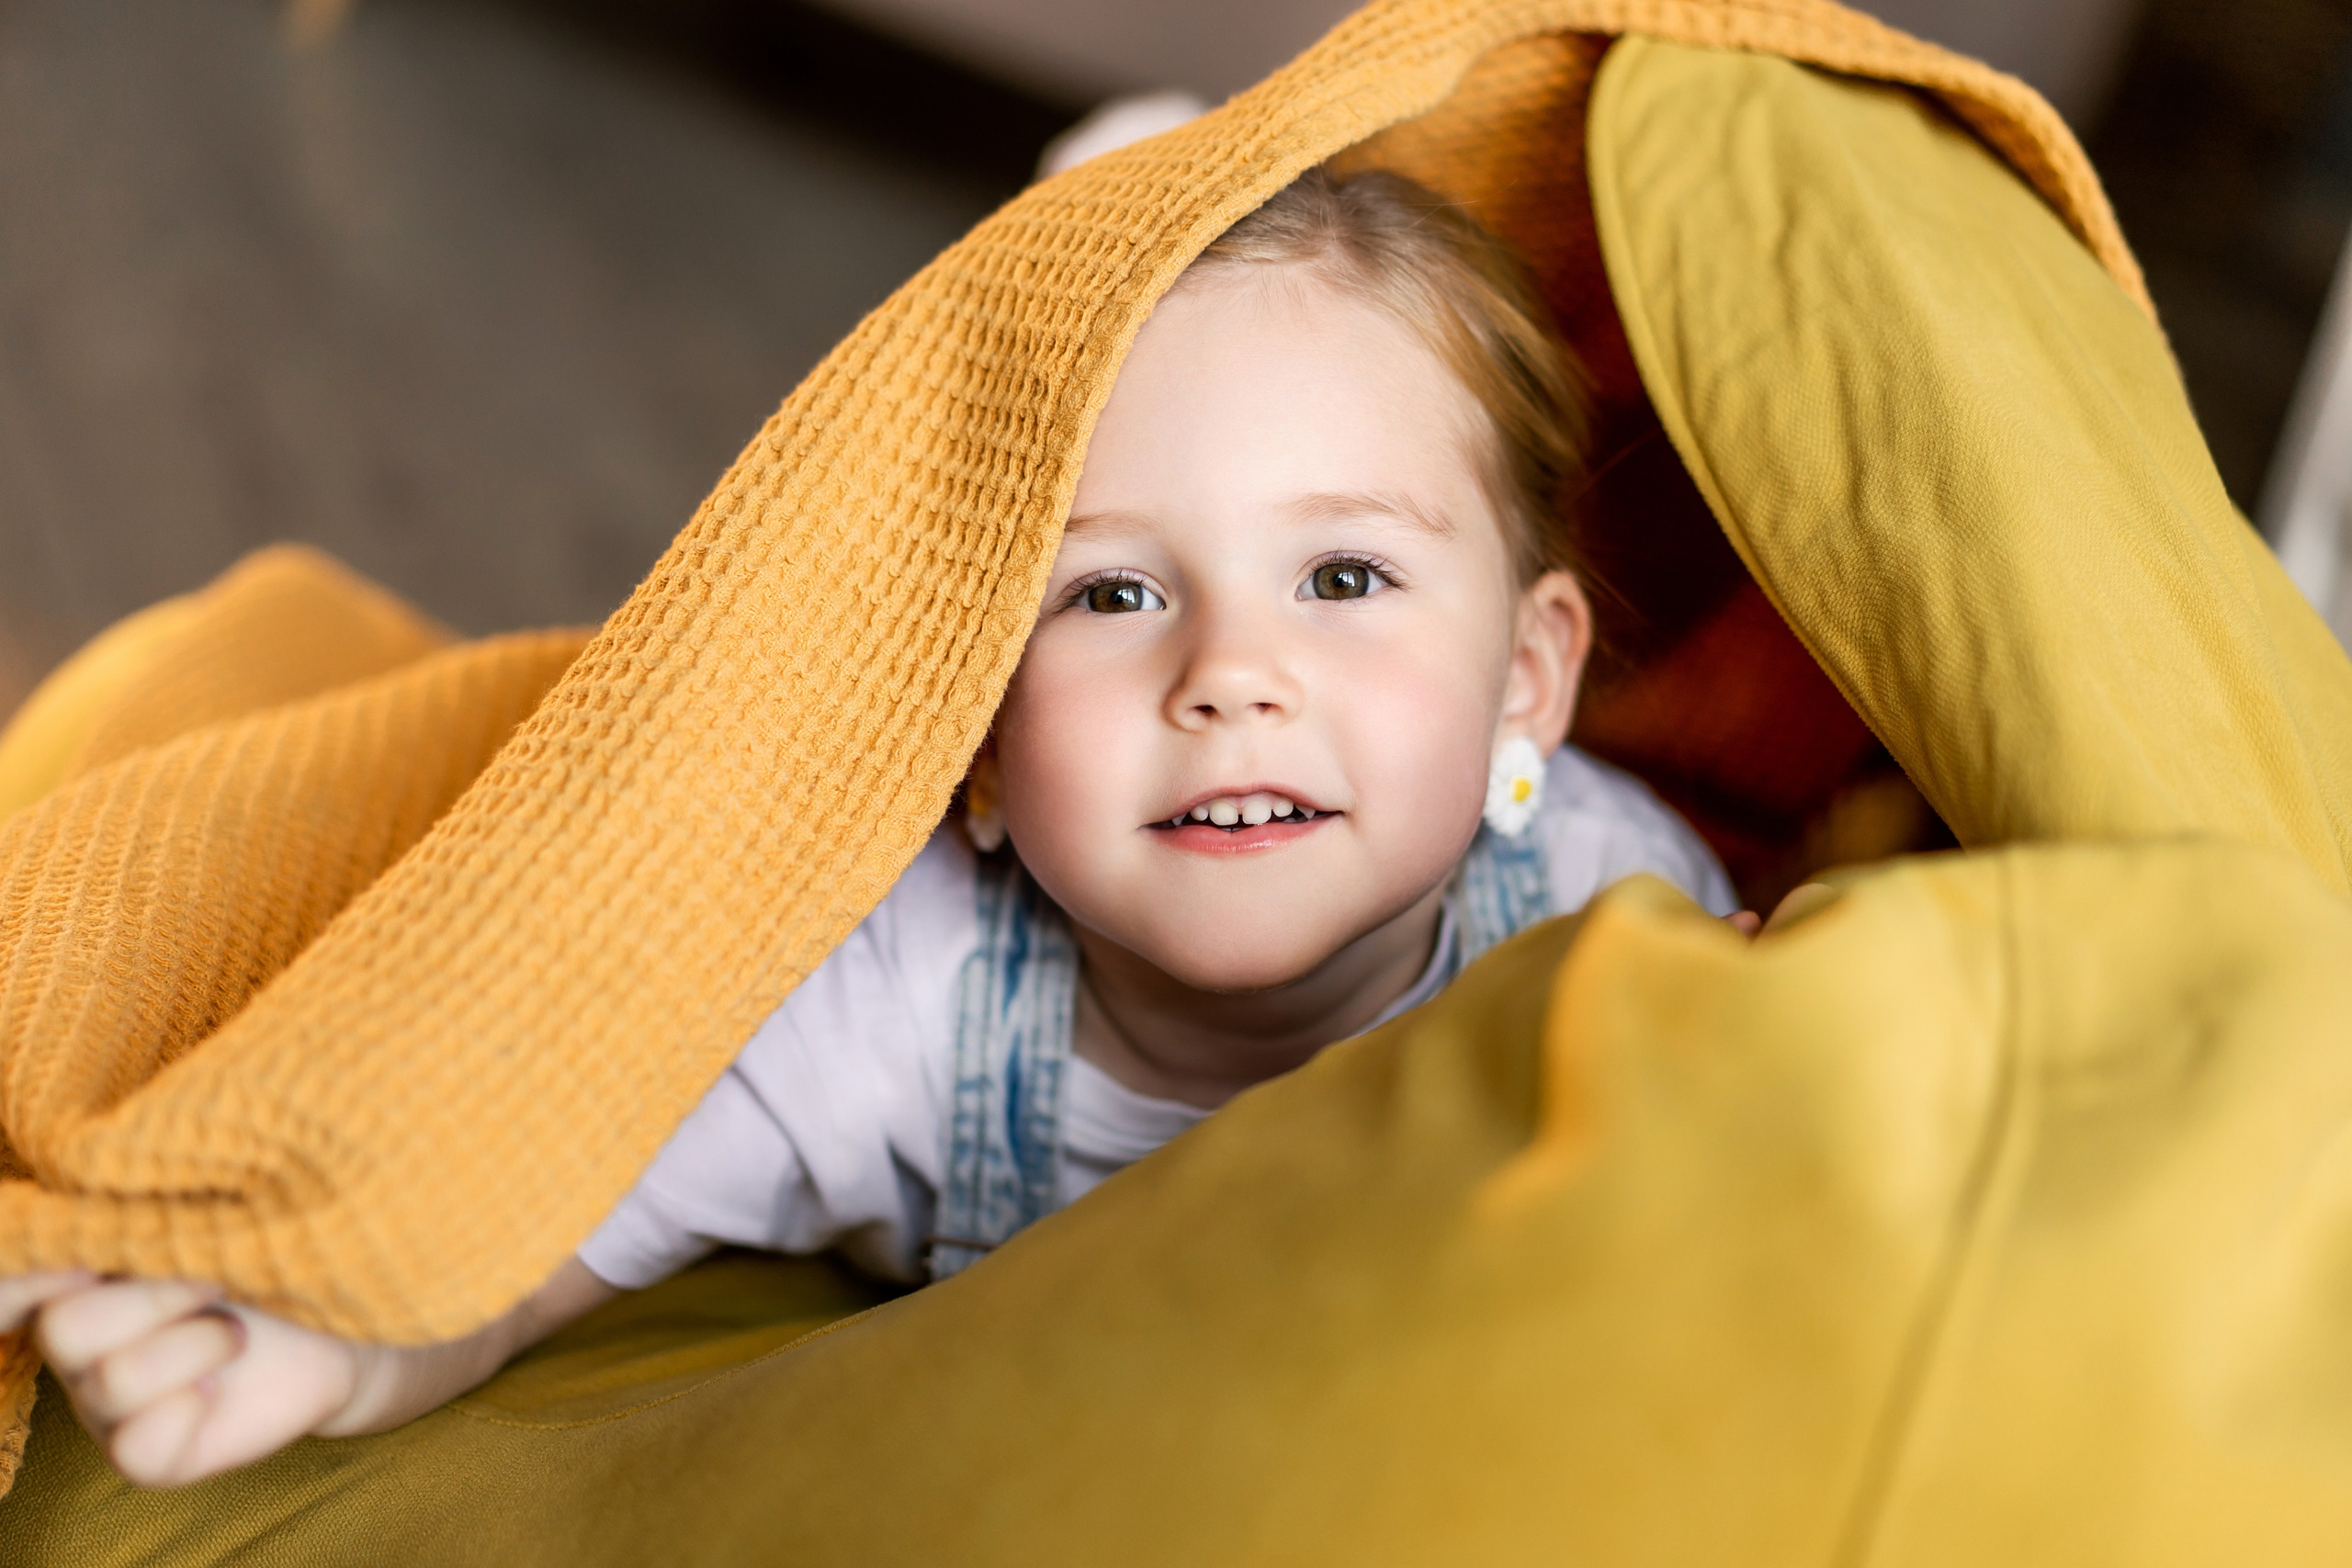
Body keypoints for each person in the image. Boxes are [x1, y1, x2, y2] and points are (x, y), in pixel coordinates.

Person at [0, 167, 1736, 1487]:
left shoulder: (1614, 924)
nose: (1232, 677)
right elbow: (532, 1229)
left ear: (1528, 679)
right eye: (1113, 590)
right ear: (967, 728)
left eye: (1344, 576)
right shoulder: (897, 984)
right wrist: (338, 1348)